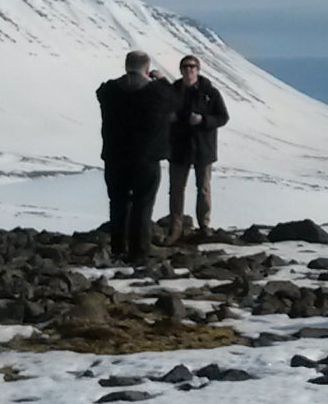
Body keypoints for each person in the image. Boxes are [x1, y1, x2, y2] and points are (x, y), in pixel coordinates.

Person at [96, 51, 179, 264]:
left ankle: (117, 249)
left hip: (115, 156)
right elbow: (177, 102)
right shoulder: (157, 92)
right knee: (143, 203)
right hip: (146, 157)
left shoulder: (110, 91)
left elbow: (101, 91)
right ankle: (138, 252)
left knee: (118, 203)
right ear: (147, 67)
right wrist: (161, 81)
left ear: (126, 66)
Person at [167, 52, 229, 239]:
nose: (188, 70)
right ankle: (175, 227)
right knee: (176, 188)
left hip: (203, 147)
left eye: (192, 67)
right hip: (179, 147)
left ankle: (204, 225)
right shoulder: (173, 91)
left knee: (203, 188)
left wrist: (204, 120)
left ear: (198, 69)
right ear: (180, 69)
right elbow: (161, 112)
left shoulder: (210, 92)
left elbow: (223, 117)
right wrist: (171, 118)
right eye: (185, 67)